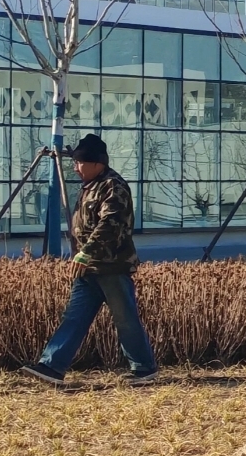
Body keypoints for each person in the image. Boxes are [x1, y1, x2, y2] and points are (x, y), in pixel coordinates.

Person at [18, 133, 159, 387]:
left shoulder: (113, 187)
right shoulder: (90, 186)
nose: (75, 167)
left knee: (125, 318)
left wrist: (87, 251)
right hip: (89, 268)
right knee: (74, 317)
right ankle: (52, 365)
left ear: (97, 163)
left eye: (80, 163)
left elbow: (111, 224)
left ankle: (144, 369)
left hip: (111, 266)